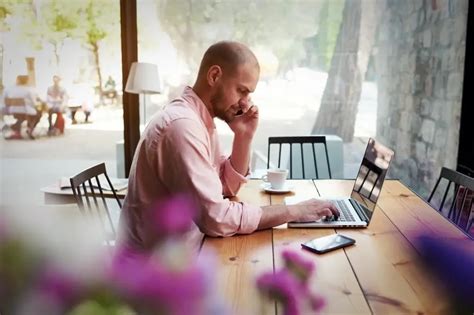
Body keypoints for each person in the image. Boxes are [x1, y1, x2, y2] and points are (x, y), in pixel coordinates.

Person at [118, 41, 339, 251]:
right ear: (214, 75)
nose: (246, 103)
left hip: (187, 255)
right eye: (242, 91)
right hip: (153, 277)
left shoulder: (199, 120)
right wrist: (295, 211)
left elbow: (225, 186)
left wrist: (243, 137)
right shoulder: (182, 127)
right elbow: (215, 218)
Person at [2, 75, 41, 140]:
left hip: (13, 110)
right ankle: (30, 129)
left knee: (23, 117)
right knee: (38, 114)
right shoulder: (29, 90)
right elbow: (34, 103)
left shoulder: (12, 89)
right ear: (26, 81)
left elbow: (5, 100)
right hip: (25, 111)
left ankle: (16, 130)